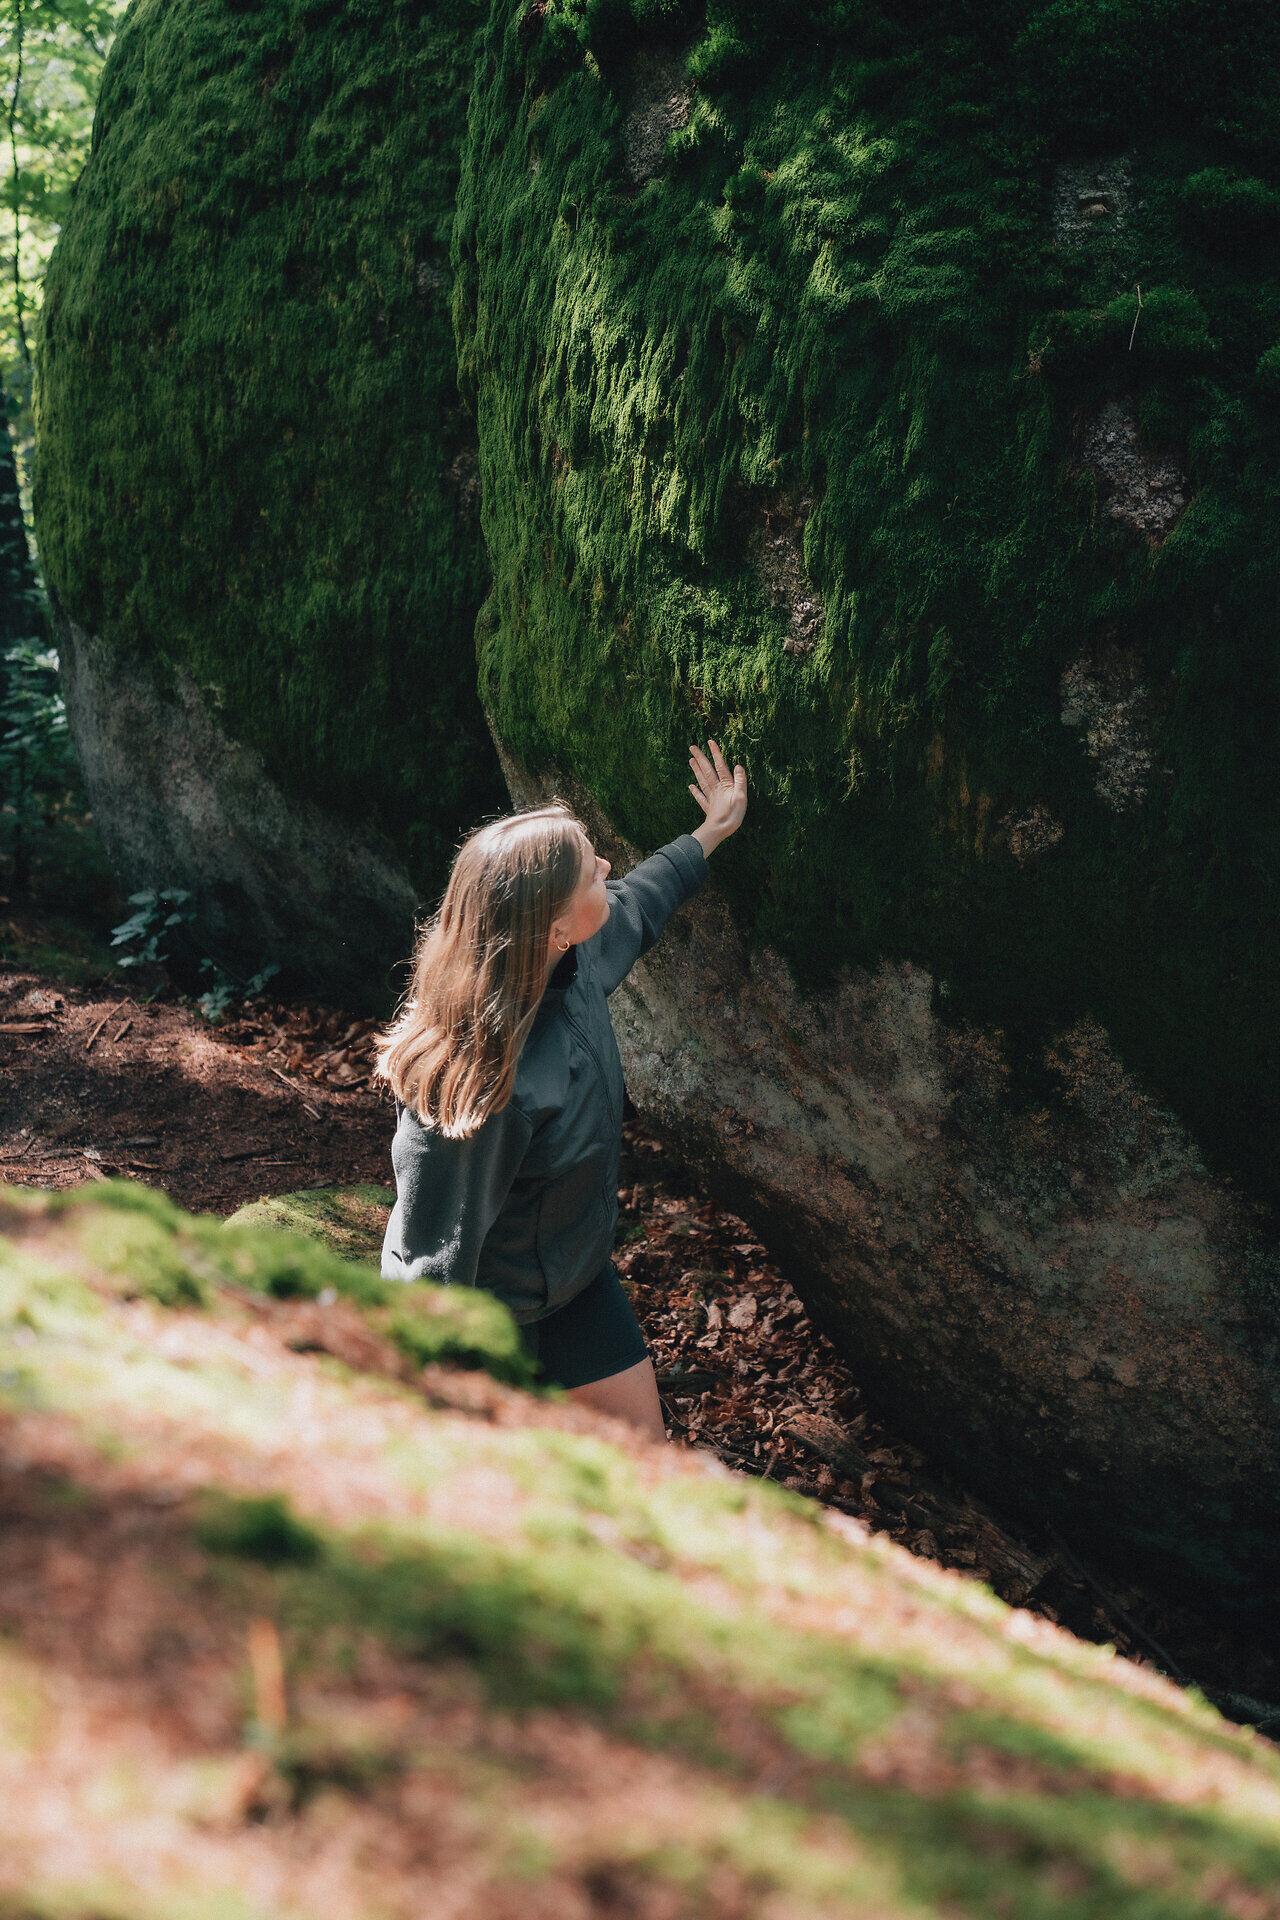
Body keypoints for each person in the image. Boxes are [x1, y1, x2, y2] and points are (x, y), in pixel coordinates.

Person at [375, 739, 748, 1441]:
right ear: (553, 928)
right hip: (492, 1320)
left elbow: (637, 903)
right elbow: (433, 1255)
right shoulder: (482, 1084)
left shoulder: (567, 965)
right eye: (590, 871)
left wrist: (710, 833)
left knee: (646, 1460)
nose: (607, 868)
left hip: (576, 1286)